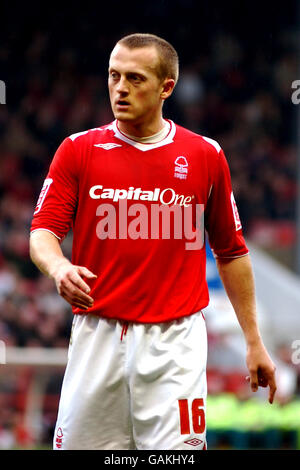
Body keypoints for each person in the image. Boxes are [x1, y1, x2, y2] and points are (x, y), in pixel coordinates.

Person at [29, 33, 277, 450]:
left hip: (175, 343)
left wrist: (254, 341)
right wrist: (59, 267)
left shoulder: (205, 155)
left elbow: (232, 252)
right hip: (97, 336)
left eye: (135, 78)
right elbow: (42, 232)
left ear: (167, 87)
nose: (120, 88)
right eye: (113, 76)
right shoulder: (78, 150)